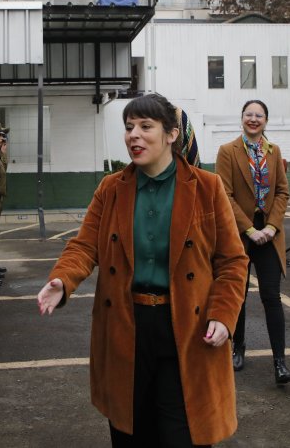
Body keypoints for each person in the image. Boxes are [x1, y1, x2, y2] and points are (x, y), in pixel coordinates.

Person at [37, 93, 248, 448]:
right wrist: (62, 279)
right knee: (130, 432)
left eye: (145, 127)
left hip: (186, 329)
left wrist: (223, 315)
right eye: (129, 127)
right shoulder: (111, 188)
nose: (134, 134)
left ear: (170, 134)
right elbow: (85, 245)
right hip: (126, 326)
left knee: (183, 433)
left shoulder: (207, 188)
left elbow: (232, 261)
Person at [215, 99, 290, 384]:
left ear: (266, 121)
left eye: (259, 115)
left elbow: (283, 192)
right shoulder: (227, 151)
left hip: (270, 235)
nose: (253, 119)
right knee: (239, 295)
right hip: (241, 235)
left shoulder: (273, 152)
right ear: (242, 118)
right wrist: (249, 230)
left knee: (271, 296)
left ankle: (280, 362)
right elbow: (225, 195)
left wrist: (271, 227)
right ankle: (238, 347)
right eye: (248, 114)